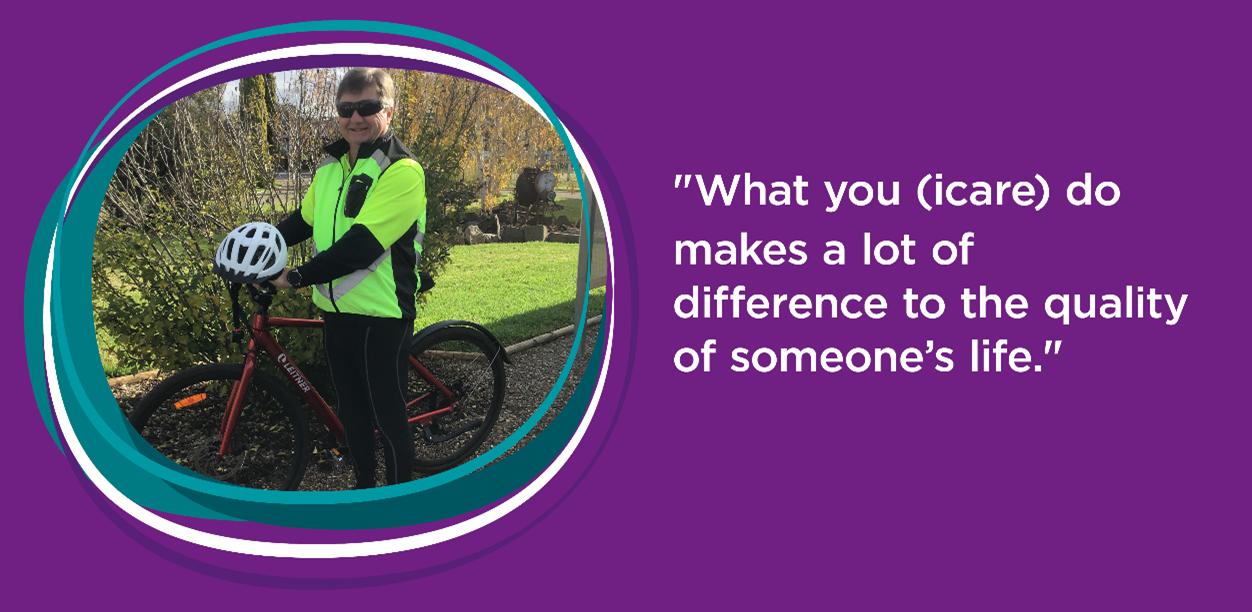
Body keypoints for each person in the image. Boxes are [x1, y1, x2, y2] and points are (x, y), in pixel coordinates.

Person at [270, 68, 426, 489]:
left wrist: (297, 275)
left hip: (384, 315)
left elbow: (362, 246)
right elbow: (302, 222)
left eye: (368, 107)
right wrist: (258, 245)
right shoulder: (331, 166)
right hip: (336, 312)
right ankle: (364, 491)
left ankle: (397, 508)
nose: (356, 117)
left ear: (389, 111)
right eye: (346, 108)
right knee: (352, 412)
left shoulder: (402, 170)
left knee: (388, 417)